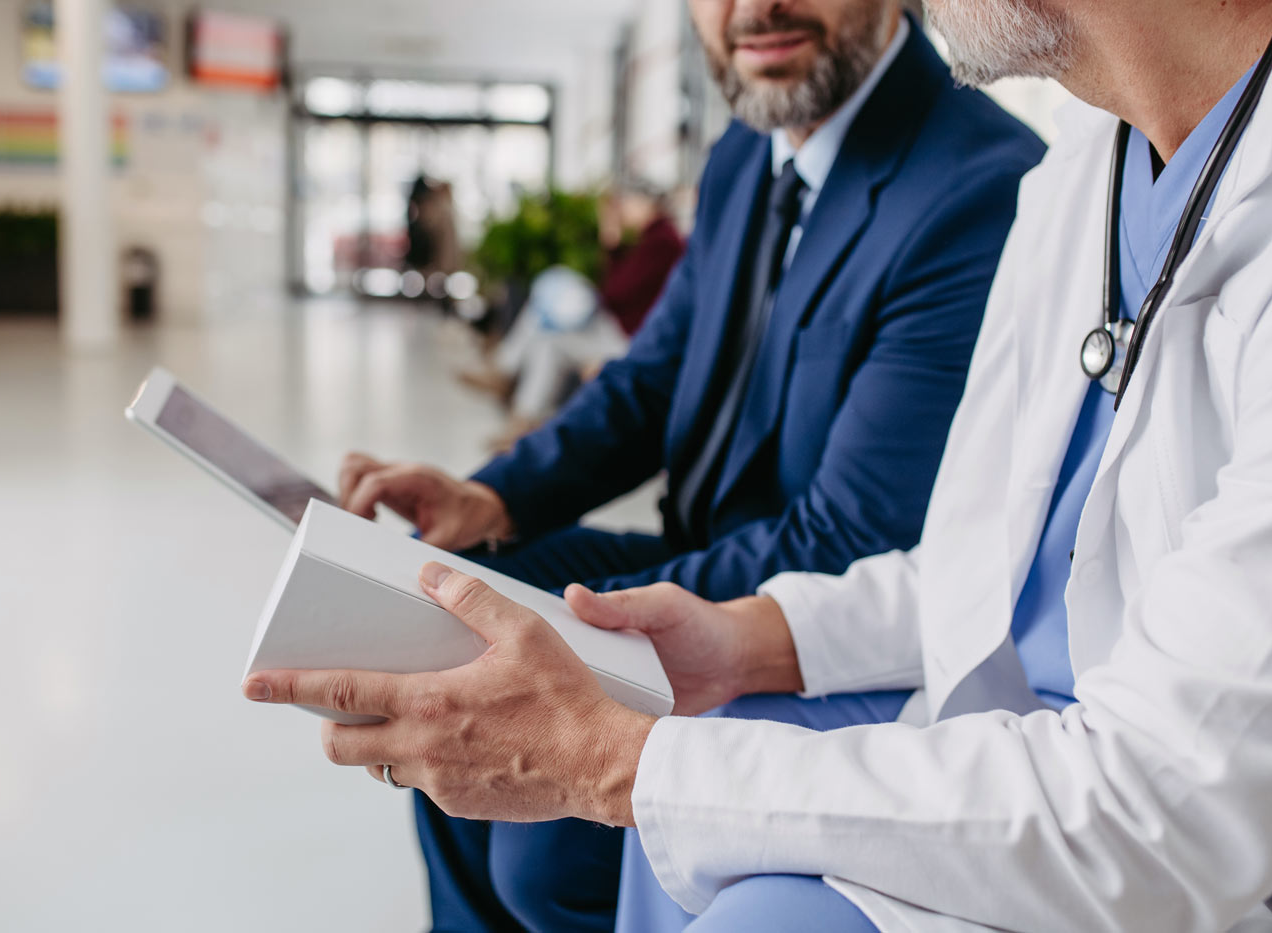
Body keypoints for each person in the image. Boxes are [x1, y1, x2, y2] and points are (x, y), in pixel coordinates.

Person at [245, 0, 1272, 929]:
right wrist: (744, 637)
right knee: (486, 669)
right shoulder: (1078, 177)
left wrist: (611, 759)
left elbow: (1166, 801)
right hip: (977, 714)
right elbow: (983, 564)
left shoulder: (1002, 182)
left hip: (1209, 858)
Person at [334, 1, 1041, 929]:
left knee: (540, 850)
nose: (755, 9)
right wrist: (493, 494)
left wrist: (579, 630)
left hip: (820, 621)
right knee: (445, 619)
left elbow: (851, 534)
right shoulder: (747, 154)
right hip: (706, 550)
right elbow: (654, 376)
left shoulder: (978, 186)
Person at [464, 184, 686, 444]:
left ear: (648, 204)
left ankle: (507, 378)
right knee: (548, 335)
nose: (624, 210)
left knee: (551, 307)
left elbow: (616, 293)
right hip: (618, 330)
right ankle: (520, 417)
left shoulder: (662, 242)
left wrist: (611, 242)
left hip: (628, 338)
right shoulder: (652, 240)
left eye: (629, 203)